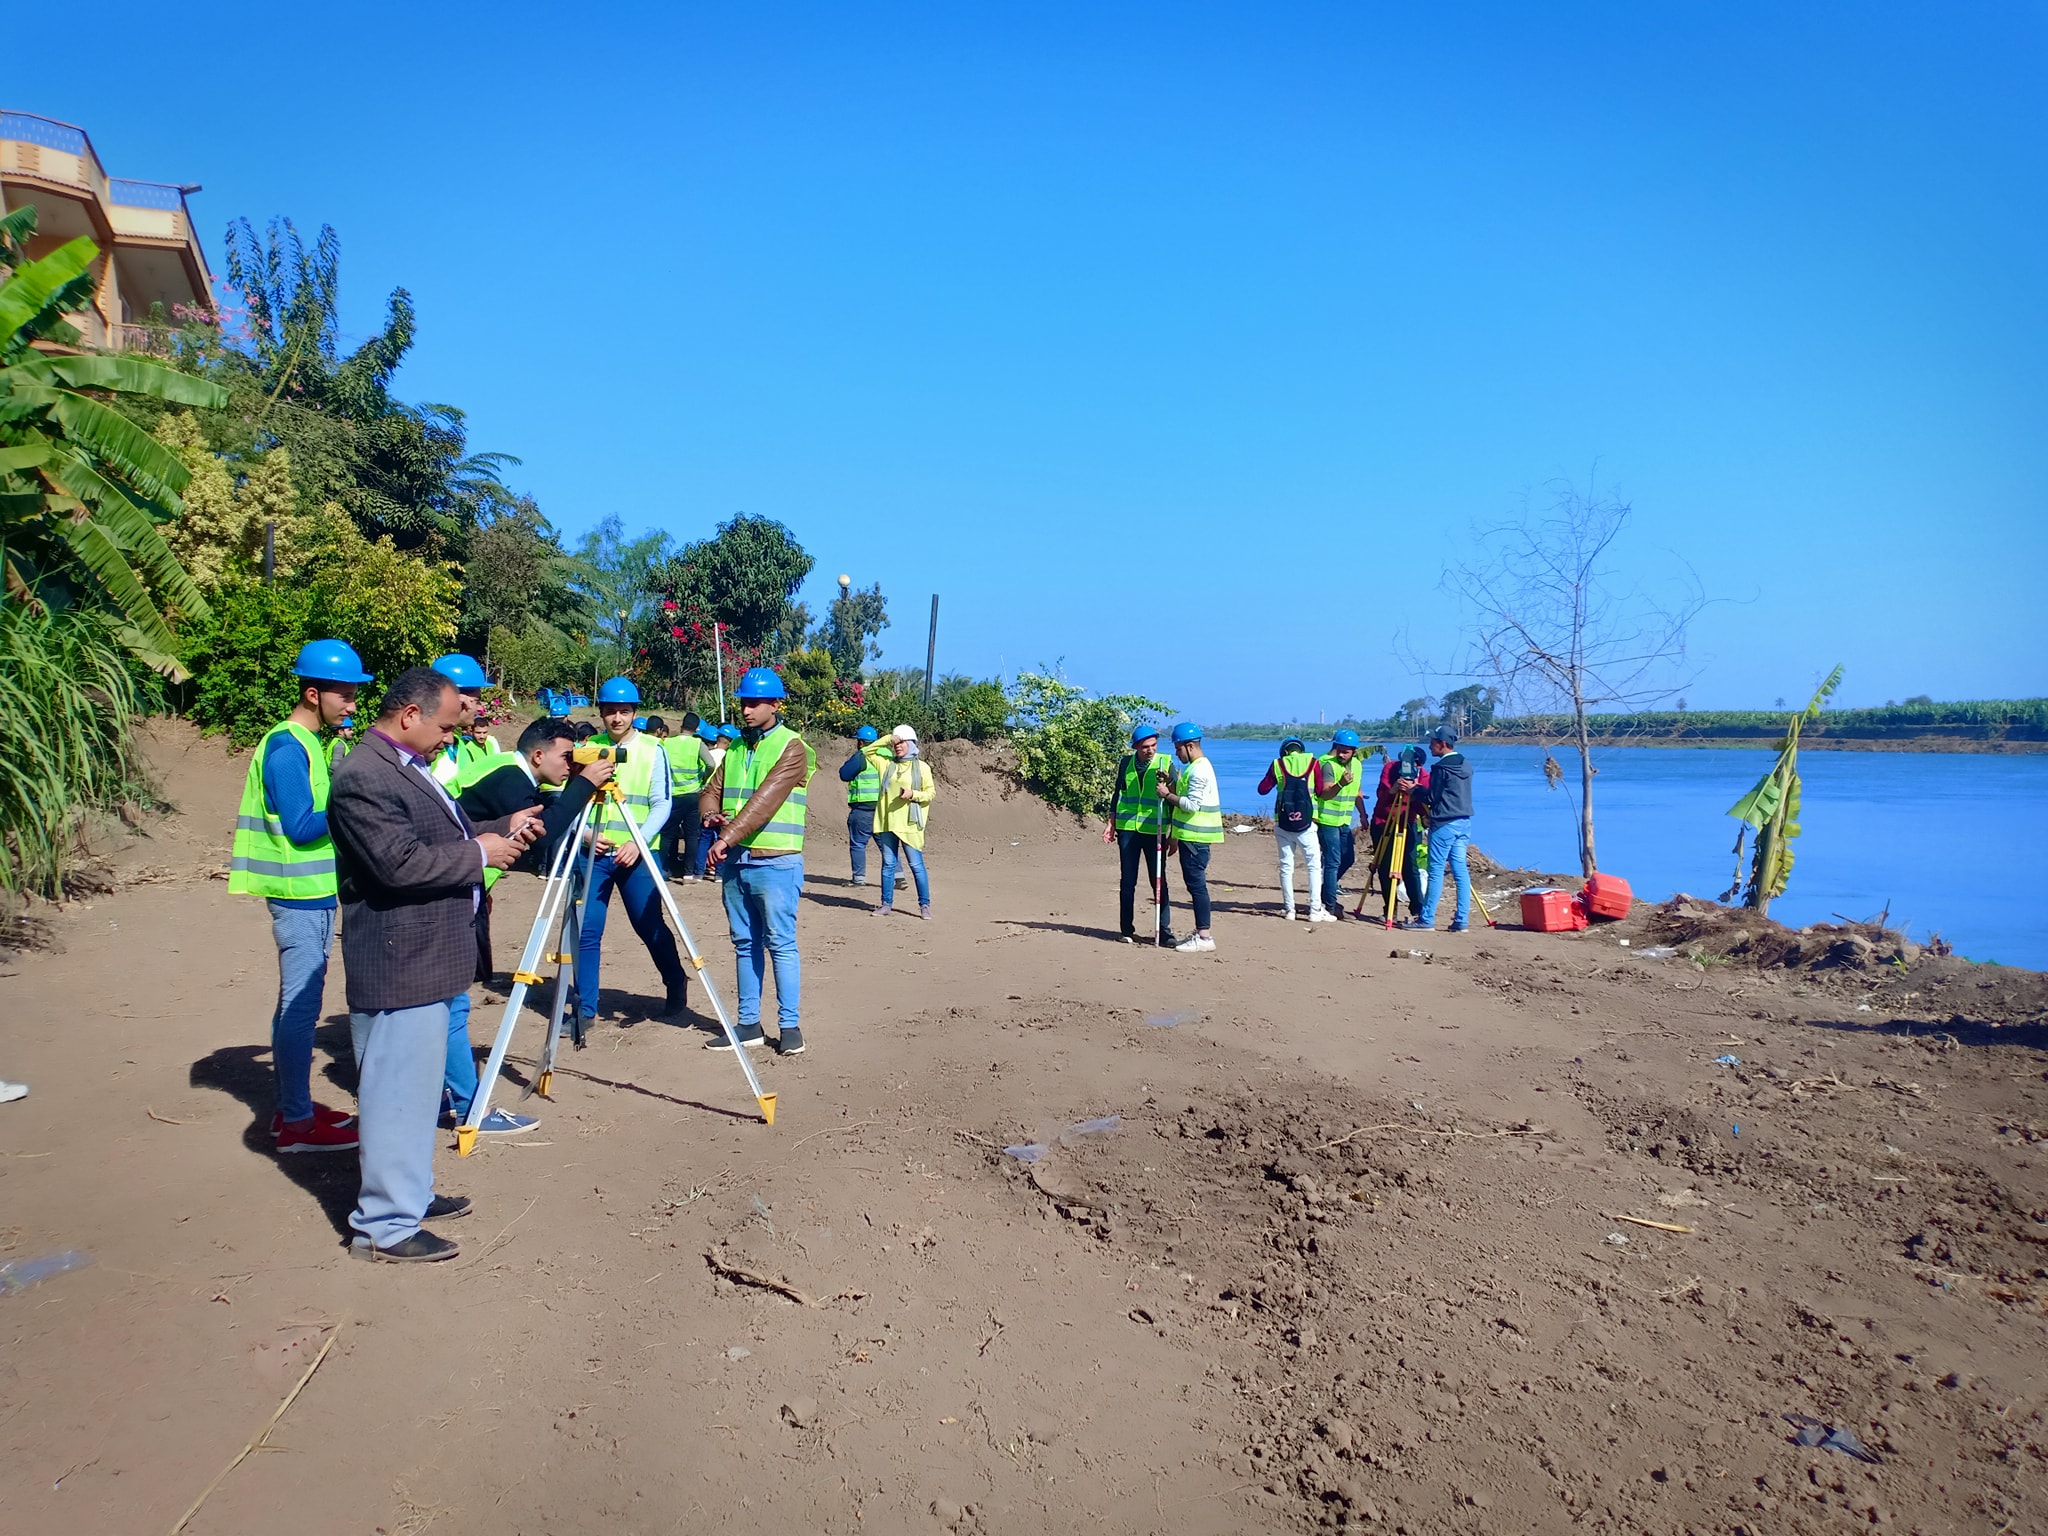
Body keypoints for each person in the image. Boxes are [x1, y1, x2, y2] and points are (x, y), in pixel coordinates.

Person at [327, 666, 541, 1262]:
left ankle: (409, 1195)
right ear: (410, 715)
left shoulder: (405, 766)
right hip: (400, 960)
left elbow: (440, 831)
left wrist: (500, 828)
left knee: (417, 1094)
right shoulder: (363, 776)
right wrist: (481, 852)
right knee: (395, 1094)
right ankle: (384, 1227)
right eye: (447, 726)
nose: (453, 736)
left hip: (423, 958)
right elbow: (399, 864)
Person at [227, 638, 370, 1154]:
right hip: (298, 895)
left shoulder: (309, 743)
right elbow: (302, 826)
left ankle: (296, 1110)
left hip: (310, 894)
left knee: (299, 1006)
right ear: (313, 694)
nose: (353, 704)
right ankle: (295, 1123)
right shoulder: (288, 748)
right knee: (300, 1009)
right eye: (345, 695)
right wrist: (351, 797)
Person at [444, 719, 618, 1136]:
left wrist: (585, 825)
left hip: (463, 886)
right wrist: (584, 786)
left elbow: (546, 811)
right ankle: (469, 1107)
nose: (571, 763)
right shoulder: (508, 777)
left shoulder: (511, 772)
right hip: (451, 892)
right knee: (451, 1003)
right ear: (538, 755)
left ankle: (447, 1096)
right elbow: (541, 836)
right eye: (566, 756)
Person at [700, 668, 815, 1055]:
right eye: (743, 703)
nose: (746, 710)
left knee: (780, 943)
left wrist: (725, 838)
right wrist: (709, 817)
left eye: (754, 703)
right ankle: (748, 1024)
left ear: (775, 705)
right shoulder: (734, 748)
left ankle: (790, 1027)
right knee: (745, 943)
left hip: (776, 862)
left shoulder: (792, 747)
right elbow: (710, 790)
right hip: (737, 861)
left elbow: (766, 800)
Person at [573, 677, 691, 1029]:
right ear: (601, 712)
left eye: (624, 711)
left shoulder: (654, 750)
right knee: (586, 931)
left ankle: (675, 982)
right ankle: (585, 1010)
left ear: (634, 713)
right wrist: (589, 833)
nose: (617, 718)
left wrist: (636, 843)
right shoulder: (587, 747)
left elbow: (661, 804)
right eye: (610, 711)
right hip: (594, 852)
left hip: (638, 854)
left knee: (648, 924)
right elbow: (574, 800)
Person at [1101, 723, 1175, 946]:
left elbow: (1174, 798)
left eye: (1153, 745)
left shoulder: (1166, 763)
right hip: (1128, 830)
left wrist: (1174, 833)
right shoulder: (1126, 763)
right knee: (1128, 881)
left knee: (1158, 881)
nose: (1150, 750)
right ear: (1135, 747)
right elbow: (1118, 793)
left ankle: (1164, 931)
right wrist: (1111, 822)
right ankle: (1126, 930)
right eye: (1144, 747)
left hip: (1155, 830)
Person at [1154, 722, 1223, 952]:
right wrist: (1171, 784)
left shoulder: (1199, 769)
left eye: (1178, 748)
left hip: (1196, 838)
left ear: (1190, 746)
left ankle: (1204, 936)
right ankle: (1201, 933)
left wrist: (1166, 794)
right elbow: (1185, 795)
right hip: (1189, 836)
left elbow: (1191, 805)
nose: (1176, 752)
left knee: (1197, 886)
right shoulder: (1195, 767)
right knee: (1195, 886)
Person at [1410, 726, 1473, 933]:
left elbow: (1431, 798)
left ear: (1443, 744)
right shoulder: (1465, 764)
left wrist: (1415, 789)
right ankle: (1461, 920)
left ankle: (1426, 919)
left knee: (1435, 871)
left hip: (1444, 823)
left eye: (1432, 742)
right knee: (1461, 871)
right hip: (1464, 821)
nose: (1429, 746)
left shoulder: (1441, 768)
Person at [1258, 737, 1328, 922]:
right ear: (1301, 750)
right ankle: (1315, 911)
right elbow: (1320, 790)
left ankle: (1290, 910)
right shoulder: (1313, 762)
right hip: (1307, 824)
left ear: (1285, 751)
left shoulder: (1278, 764)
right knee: (1314, 867)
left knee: (1286, 867)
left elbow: (1262, 789)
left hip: (1284, 824)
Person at [871, 724, 936, 918]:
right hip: (887, 823)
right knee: (888, 865)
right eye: (896, 743)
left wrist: (913, 794)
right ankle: (885, 904)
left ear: (911, 743)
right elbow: (867, 751)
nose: (898, 746)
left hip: (909, 825)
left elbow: (930, 793)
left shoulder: (922, 767)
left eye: (902, 742)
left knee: (916, 866)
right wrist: (888, 738)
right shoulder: (886, 764)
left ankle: (924, 906)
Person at [1368, 746, 1430, 920]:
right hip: (1384, 822)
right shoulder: (1390, 768)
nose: (1412, 769)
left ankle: (1418, 909)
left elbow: (1423, 805)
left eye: (1416, 766)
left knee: (1410, 866)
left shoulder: (1425, 776)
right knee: (1385, 866)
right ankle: (1390, 909)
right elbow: (1381, 795)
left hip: (1407, 823)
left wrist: (1415, 791)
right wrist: (1393, 790)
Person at [1312, 730, 1367, 921]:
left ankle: (1323, 892)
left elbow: (1357, 792)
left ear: (1353, 751)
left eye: (1346, 752)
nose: (1342, 755)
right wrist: (1341, 783)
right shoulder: (1328, 765)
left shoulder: (1358, 766)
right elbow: (1324, 793)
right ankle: (1330, 904)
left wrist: (1362, 814)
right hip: (1327, 820)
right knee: (1332, 861)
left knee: (1348, 858)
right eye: (1340, 750)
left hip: (1344, 821)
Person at [427, 655, 491, 788]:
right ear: (458, 699)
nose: (480, 708)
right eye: (477, 701)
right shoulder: (423, 744)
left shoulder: (459, 745)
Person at [660, 711, 706, 881]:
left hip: (672, 795)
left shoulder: (667, 743)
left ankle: (662, 868)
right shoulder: (697, 744)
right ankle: (688, 873)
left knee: (667, 834)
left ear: (681, 725)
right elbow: (711, 763)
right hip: (693, 794)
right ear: (696, 728)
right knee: (692, 834)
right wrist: (702, 775)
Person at [839, 725, 884, 885]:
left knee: (858, 843)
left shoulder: (862, 756)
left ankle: (858, 878)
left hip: (863, 808)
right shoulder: (887, 755)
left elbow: (844, 774)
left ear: (860, 742)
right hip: (883, 808)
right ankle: (899, 877)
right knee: (886, 845)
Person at [690, 718, 724, 877]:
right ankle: (718, 871)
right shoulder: (729, 755)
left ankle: (699, 870)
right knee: (721, 836)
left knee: (704, 836)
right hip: (721, 800)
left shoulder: (705, 755)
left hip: (705, 800)